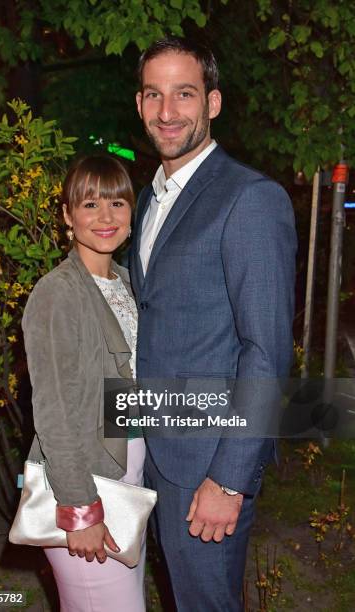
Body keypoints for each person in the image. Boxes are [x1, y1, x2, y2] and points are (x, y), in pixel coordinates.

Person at [130, 36, 297, 611]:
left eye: (185, 93)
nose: (168, 111)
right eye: (155, 94)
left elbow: (266, 351)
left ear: (214, 103)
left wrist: (229, 479)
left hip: (207, 463)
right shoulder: (149, 200)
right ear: (139, 104)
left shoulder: (249, 198)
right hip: (151, 450)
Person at [22, 156, 146, 612]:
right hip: (87, 485)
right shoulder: (57, 293)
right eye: (90, 203)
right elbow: (52, 411)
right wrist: (80, 509)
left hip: (130, 476)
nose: (106, 216)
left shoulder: (129, 284)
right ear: (67, 215)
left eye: (117, 202)